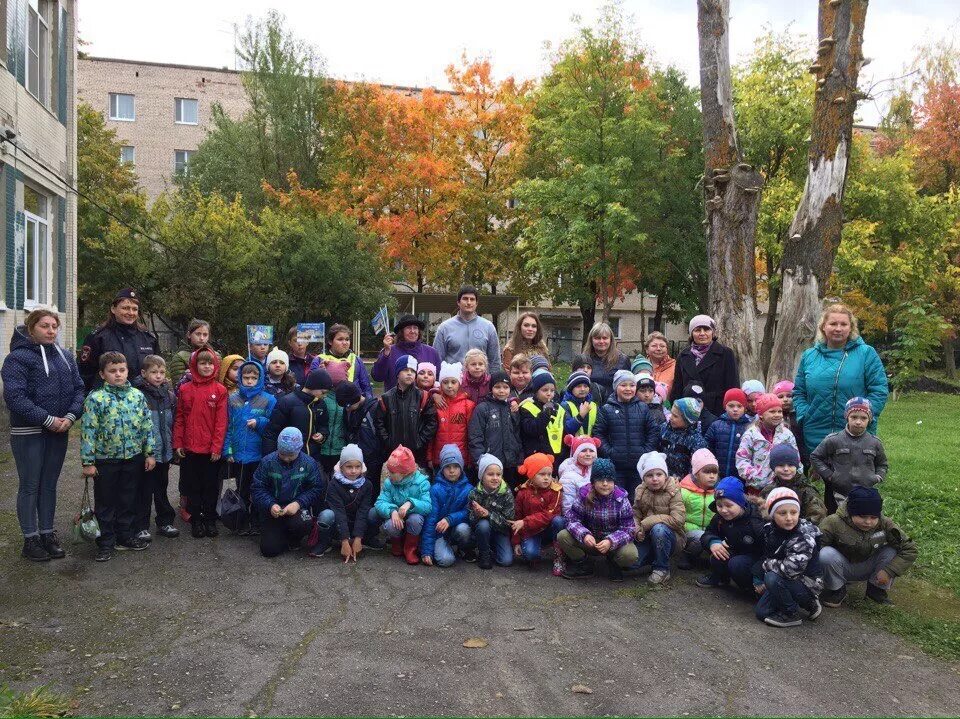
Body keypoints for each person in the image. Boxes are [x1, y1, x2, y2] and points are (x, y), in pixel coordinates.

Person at [3, 309, 85, 561]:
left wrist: (70, 416)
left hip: (58, 431)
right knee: (30, 486)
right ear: (31, 329)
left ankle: (47, 534)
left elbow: (79, 389)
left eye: (54, 326)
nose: (51, 331)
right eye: (44, 326)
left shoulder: (66, 357)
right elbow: (15, 397)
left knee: (49, 485)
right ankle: (31, 539)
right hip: (29, 432)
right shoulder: (17, 359)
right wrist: (47, 419)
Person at [793, 303, 889, 507]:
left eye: (843, 324)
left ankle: (859, 528)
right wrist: (804, 415)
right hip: (817, 429)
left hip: (856, 435)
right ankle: (831, 529)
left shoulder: (866, 354)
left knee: (857, 486)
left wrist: (864, 417)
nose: (838, 328)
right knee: (830, 485)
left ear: (851, 327)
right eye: (833, 323)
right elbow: (799, 391)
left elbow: (879, 390)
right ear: (823, 327)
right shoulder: (809, 356)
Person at [80, 352, 156, 562]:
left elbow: (146, 426)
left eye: (121, 370)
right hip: (106, 460)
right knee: (106, 502)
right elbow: (88, 431)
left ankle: (125, 535)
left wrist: (149, 453)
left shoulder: (137, 396)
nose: (118, 375)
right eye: (112, 371)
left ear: (127, 371)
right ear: (103, 374)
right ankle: (105, 542)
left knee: (128, 499)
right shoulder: (96, 399)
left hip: (133, 457)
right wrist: (88, 462)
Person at [819, 486, 918, 608]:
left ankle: (876, 591)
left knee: (891, 550)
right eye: (862, 516)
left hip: (870, 566)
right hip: (841, 566)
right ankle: (836, 589)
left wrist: (889, 571)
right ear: (851, 512)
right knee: (824, 553)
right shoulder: (832, 522)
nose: (868, 522)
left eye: (873, 517)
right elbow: (815, 548)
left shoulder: (885, 523)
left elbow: (910, 549)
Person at [173, 347, 228, 539]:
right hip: (190, 448)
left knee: (211, 487)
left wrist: (216, 447)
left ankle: (210, 519)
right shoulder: (185, 389)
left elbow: (221, 422)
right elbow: (180, 418)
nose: (206, 366)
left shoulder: (220, 390)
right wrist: (178, 442)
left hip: (210, 451)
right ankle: (196, 519)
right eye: (202, 363)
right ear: (194, 366)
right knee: (192, 486)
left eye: (210, 363)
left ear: (215, 366)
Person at [753, 487, 824, 628]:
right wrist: (758, 576)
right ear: (772, 514)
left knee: (771, 578)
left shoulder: (803, 536)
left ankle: (796, 610)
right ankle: (788, 601)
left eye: (794, 512)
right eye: (782, 513)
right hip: (783, 577)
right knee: (762, 612)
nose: (789, 518)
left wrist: (766, 566)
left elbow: (790, 570)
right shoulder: (769, 530)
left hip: (806, 581)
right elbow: (767, 554)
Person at [558, 457, 639, 581]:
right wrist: (584, 534)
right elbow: (571, 519)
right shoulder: (584, 495)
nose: (605, 483)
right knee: (563, 536)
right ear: (593, 482)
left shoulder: (622, 499)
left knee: (630, 555)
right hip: (591, 541)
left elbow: (629, 529)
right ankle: (584, 564)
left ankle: (614, 563)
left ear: (614, 481)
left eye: (609, 480)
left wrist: (611, 541)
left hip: (613, 543)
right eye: (600, 480)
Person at [250, 427, 323, 558]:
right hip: (274, 510)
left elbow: (316, 488)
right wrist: (270, 504)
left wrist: (298, 503)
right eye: (282, 454)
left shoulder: (309, 463)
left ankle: (294, 538)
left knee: (303, 523)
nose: (287, 458)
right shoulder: (267, 462)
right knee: (269, 550)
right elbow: (257, 488)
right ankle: (279, 535)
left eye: (291, 455)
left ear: (299, 449)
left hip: (296, 509)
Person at [223, 361, 277, 530]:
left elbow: (274, 425)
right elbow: (227, 426)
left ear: (260, 378)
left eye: (254, 378)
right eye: (246, 377)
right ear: (240, 378)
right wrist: (228, 450)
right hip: (239, 454)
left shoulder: (268, 399)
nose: (249, 381)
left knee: (259, 489)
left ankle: (257, 521)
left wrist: (260, 422)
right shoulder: (232, 399)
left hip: (259, 454)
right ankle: (242, 521)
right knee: (242, 488)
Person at [810, 397, 889, 509]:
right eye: (854, 417)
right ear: (847, 417)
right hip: (837, 493)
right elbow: (815, 457)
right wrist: (830, 476)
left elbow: (882, 464)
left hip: (865, 493)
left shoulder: (874, 442)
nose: (858, 422)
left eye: (863, 418)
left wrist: (877, 477)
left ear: (869, 420)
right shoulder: (833, 440)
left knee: (862, 520)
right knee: (836, 521)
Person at [132, 355, 178, 540]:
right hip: (147, 453)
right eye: (154, 372)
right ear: (144, 373)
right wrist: (145, 451)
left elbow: (172, 422)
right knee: (144, 490)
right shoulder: (138, 395)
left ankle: (165, 521)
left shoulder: (169, 395)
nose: (158, 376)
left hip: (165, 451)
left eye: (161, 372)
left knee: (162, 487)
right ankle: (141, 525)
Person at [593, 370, 660, 498]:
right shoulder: (607, 409)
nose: (628, 389)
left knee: (636, 500)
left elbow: (653, 431)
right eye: (623, 385)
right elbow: (598, 433)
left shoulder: (643, 408)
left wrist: (645, 451)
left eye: (632, 385)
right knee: (617, 499)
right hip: (616, 466)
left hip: (638, 466)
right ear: (616, 387)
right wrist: (609, 452)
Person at [79, 288, 160, 391]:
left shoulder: (148, 338)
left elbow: (157, 370)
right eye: (125, 308)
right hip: (108, 401)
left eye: (134, 309)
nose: (130, 312)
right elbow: (85, 375)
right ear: (113, 309)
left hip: (143, 401)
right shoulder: (98, 338)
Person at [696, 477, 766, 591]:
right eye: (719, 505)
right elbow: (708, 533)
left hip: (756, 559)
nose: (723, 510)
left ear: (741, 503)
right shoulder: (720, 517)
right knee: (717, 554)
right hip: (735, 551)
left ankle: (752, 589)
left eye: (729, 505)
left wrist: (759, 574)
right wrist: (713, 542)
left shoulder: (756, 521)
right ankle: (720, 578)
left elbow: (769, 551)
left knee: (737, 564)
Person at [668, 314, 740, 417]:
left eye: (706, 329)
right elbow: (677, 388)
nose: (702, 333)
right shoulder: (683, 356)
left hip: (716, 412)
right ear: (691, 333)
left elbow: (733, 386)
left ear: (713, 332)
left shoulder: (726, 354)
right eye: (697, 330)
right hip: (688, 412)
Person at [631, 452, 686, 584]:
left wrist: (648, 522)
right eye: (649, 475)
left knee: (659, 529)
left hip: (672, 536)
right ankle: (656, 555)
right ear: (644, 478)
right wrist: (638, 529)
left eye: (659, 474)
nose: (655, 479)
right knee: (630, 564)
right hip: (647, 536)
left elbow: (678, 520)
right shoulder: (640, 490)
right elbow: (635, 513)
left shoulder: (673, 491)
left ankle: (662, 568)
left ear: (665, 475)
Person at [373, 445, 433, 565]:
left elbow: (427, 506)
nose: (389, 474)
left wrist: (410, 503)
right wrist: (392, 511)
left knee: (416, 519)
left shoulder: (422, 482)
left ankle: (410, 548)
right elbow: (380, 502)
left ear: (404, 472)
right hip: (398, 519)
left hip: (412, 519)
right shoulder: (389, 483)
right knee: (390, 525)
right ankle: (397, 543)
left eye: (392, 472)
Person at [316, 444, 376, 562]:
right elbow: (339, 512)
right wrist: (344, 540)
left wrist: (358, 538)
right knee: (326, 515)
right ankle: (326, 541)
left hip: (357, 523)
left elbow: (363, 511)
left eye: (357, 467)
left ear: (362, 466)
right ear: (342, 467)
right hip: (339, 525)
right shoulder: (333, 484)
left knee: (374, 512)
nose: (354, 471)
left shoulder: (367, 484)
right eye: (349, 467)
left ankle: (366, 538)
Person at [374, 355, 438, 465]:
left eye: (412, 371)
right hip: (393, 454)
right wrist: (388, 442)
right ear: (397, 373)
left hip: (417, 455)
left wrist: (420, 441)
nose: (409, 373)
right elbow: (379, 423)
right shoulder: (386, 398)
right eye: (405, 370)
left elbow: (431, 422)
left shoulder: (423, 397)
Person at [467, 370, 523, 489]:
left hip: (510, 463)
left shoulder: (513, 408)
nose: (502, 390)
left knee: (508, 495)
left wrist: (519, 458)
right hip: (490, 464)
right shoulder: (483, 409)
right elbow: (475, 436)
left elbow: (518, 434)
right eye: (497, 387)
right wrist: (480, 460)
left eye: (505, 387)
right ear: (491, 388)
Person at [420, 445, 474, 568]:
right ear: (442, 468)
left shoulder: (469, 489)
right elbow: (430, 520)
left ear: (461, 467)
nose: (452, 470)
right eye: (447, 467)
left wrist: (450, 519)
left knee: (464, 529)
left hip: (456, 529)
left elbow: (469, 512)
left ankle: (463, 548)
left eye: (456, 466)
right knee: (446, 561)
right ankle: (442, 547)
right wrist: (426, 551)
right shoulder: (435, 489)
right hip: (440, 533)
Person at [262, 369, 332, 463]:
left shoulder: (321, 404)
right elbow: (272, 432)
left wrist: (322, 435)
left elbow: (324, 425)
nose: (324, 396)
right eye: (323, 392)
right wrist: (269, 459)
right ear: (313, 386)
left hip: (313, 458)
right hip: (289, 458)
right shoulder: (287, 402)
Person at [735, 394, 799, 496]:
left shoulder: (787, 434)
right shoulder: (751, 435)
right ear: (761, 414)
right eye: (772, 412)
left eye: (779, 411)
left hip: (782, 487)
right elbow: (742, 459)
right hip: (757, 489)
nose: (777, 415)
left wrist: (796, 475)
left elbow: (796, 458)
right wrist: (755, 476)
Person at [511, 452, 564, 568]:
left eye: (549, 474)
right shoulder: (522, 493)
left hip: (549, 528)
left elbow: (549, 515)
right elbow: (517, 517)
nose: (546, 478)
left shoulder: (556, 491)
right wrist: (516, 542)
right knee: (530, 555)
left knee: (559, 521)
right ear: (531, 475)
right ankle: (535, 549)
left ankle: (559, 555)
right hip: (531, 532)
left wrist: (525, 522)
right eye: (541, 474)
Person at [433, 285, 501, 368]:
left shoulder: (488, 327)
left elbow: (495, 361)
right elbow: (437, 359)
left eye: (472, 299)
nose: (469, 302)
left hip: (482, 379)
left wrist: (494, 380)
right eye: (465, 299)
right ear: (458, 302)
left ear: (476, 303)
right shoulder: (444, 328)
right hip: (455, 379)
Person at [336, 382, 384, 498]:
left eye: (348, 406)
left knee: (371, 490)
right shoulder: (348, 410)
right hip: (355, 459)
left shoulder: (374, 409)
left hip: (373, 460)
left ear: (356, 399)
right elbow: (348, 431)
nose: (347, 409)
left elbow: (381, 435)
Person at [371, 314, 442, 392]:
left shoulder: (431, 352)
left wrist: (435, 394)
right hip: (395, 402)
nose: (412, 331)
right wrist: (386, 354)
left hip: (425, 402)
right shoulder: (389, 351)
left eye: (415, 328)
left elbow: (438, 381)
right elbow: (378, 377)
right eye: (408, 328)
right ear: (401, 332)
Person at [469, 454, 516, 569]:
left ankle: (494, 547)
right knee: (483, 525)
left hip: (501, 531)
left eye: (498, 474)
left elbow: (509, 522)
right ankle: (484, 553)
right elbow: (470, 520)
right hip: (482, 530)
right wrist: (476, 514)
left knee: (506, 561)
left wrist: (488, 514)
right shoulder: (474, 493)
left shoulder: (507, 493)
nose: (495, 478)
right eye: (490, 474)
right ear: (482, 476)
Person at [760, 444, 826, 525]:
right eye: (781, 465)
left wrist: (795, 529)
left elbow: (818, 516)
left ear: (796, 466)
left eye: (791, 465)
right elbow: (759, 515)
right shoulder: (767, 491)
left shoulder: (807, 491)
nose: (786, 469)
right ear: (773, 467)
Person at [428, 362, 475, 471]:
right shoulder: (436, 404)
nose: (449, 386)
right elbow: (431, 434)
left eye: (453, 382)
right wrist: (430, 457)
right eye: (445, 382)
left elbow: (471, 435)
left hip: (460, 458)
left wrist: (469, 459)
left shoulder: (468, 405)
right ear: (440, 384)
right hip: (439, 458)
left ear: (459, 383)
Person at [678, 448, 720, 567]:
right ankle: (686, 556)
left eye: (715, 472)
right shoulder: (684, 491)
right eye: (707, 472)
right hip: (688, 531)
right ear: (696, 473)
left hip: (710, 531)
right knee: (700, 538)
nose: (712, 476)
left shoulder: (718, 492)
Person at [310, 323, 374, 399]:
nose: (345, 343)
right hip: (326, 405)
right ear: (330, 341)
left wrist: (368, 404)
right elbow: (311, 388)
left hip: (351, 406)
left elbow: (366, 387)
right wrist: (321, 374)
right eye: (340, 339)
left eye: (347, 339)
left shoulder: (356, 360)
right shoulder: (319, 359)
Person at [704, 388, 751, 480]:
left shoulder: (749, 428)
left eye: (739, 406)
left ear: (745, 408)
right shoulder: (716, 425)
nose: (735, 409)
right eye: (731, 406)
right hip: (717, 475)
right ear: (725, 406)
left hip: (739, 477)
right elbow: (707, 448)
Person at [581, 322, 630, 404]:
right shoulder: (583, 359)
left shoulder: (623, 360)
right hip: (589, 405)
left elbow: (629, 385)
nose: (601, 341)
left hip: (615, 406)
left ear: (610, 340)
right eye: (597, 338)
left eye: (605, 338)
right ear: (591, 340)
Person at [659, 397, 707, 479]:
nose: (671, 417)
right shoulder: (664, 428)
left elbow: (695, 467)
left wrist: (685, 482)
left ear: (687, 420)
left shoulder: (696, 440)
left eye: (675, 416)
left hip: (682, 483)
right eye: (671, 413)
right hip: (661, 479)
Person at [519, 371, 563, 460]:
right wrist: (545, 414)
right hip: (536, 454)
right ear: (536, 391)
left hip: (555, 453)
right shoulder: (527, 407)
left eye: (552, 390)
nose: (549, 393)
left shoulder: (558, 408)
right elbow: (532, 429)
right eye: (545, 390)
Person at [558, 436, 601, 514]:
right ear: (576, 454)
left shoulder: (598, 470)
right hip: (577, 516)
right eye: (583, 450)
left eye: (591, 451)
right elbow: (568, 507)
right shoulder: (568, 476)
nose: (588, 454)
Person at [773, 380, 807, 468]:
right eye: (780, 397)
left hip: (801, 452)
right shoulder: (774, 417)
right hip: (780, 453)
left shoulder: (800, 414)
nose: (785, 400)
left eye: (789, 396)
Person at [168, 319, 211, 385]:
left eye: (205, 335)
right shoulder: (180, 357)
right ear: (189, 335)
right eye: (198, 334)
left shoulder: (215, 355)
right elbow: (178, 387)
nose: (202, 338)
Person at [560, 370, 599, 441]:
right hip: (571, 446)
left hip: (590, 447)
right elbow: (567, 429)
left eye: (585, 386)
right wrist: (580, 416)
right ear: (571, 389)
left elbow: (599, 428)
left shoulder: (593, 405)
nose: (582, 389)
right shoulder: (565, 405)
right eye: (578, 386)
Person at [644, 331, 676, 396]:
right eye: (654, 346)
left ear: (667, 349)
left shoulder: (676, 366)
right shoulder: (640, 367)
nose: (658, 349)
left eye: (662, 346)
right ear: (647, 349)